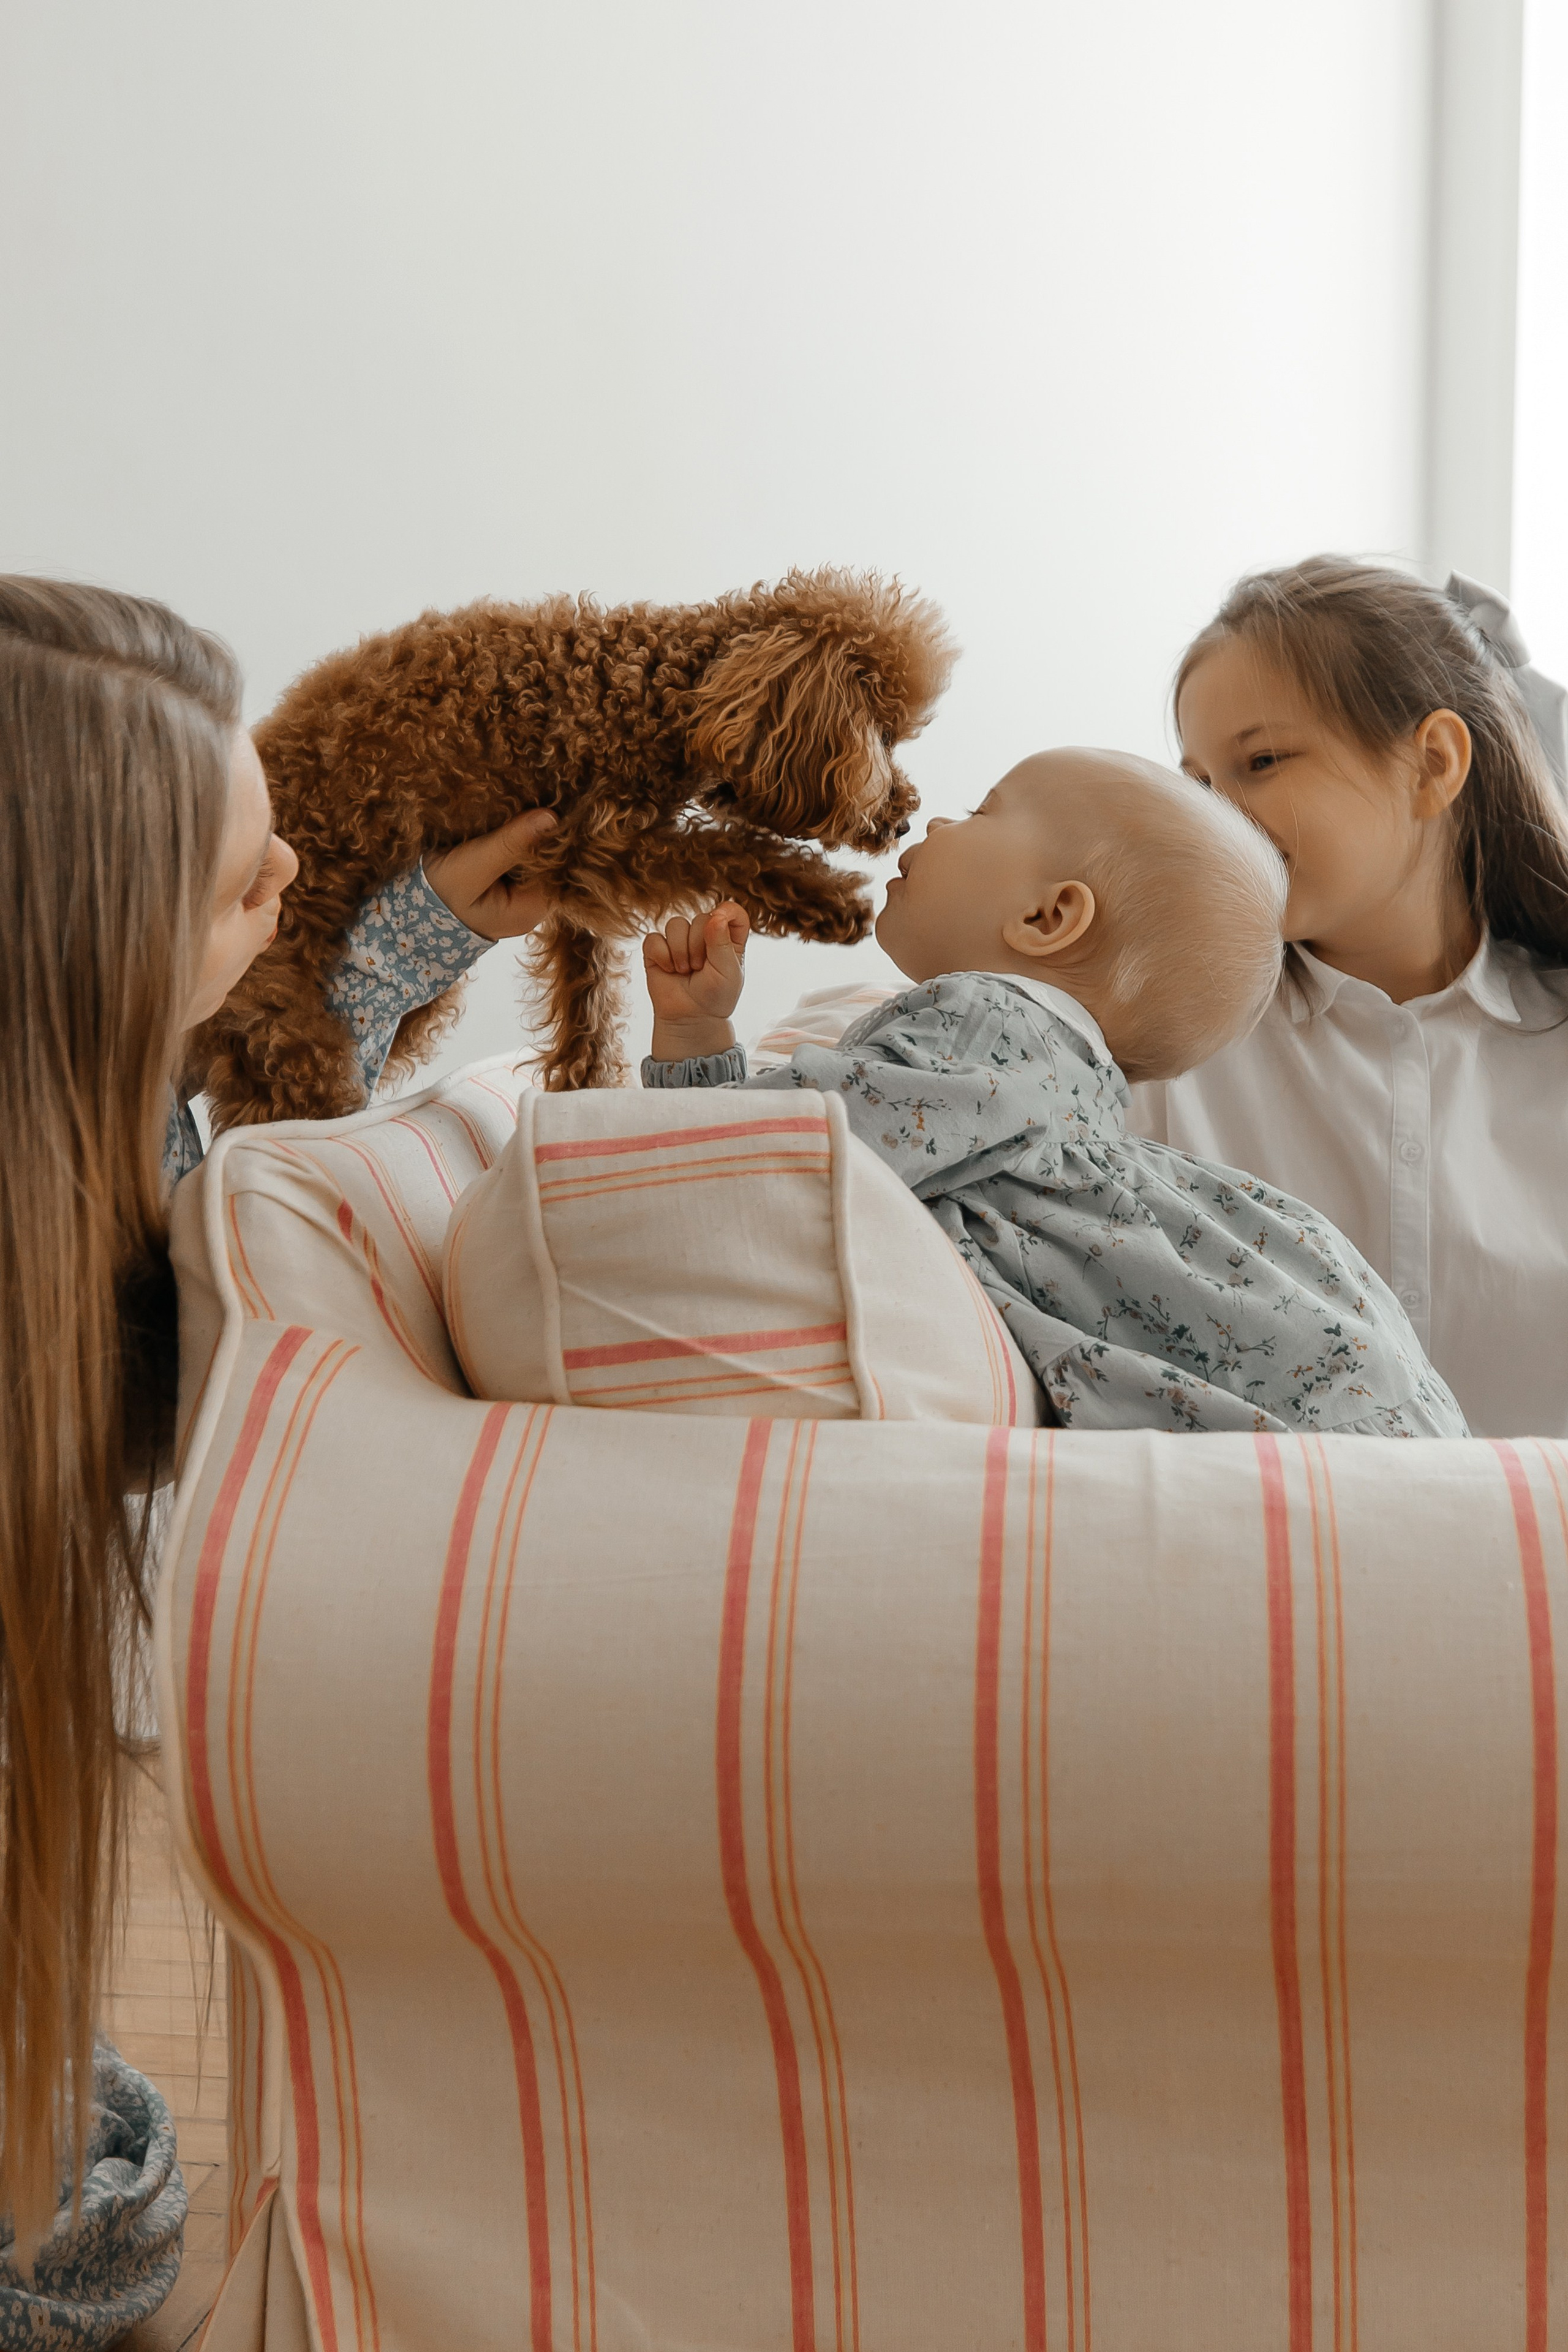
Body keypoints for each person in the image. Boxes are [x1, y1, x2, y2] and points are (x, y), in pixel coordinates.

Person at [0, 578, 554, 2343]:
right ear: (84, 939)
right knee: (98, 2219)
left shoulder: (84, 1117)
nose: (292, 889)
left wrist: (399, 952)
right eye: (247, 882)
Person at [625, 748, 1465, 1438]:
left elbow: (745, 1165)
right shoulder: (1035, 1074)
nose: (939, 822)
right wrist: (699, 1039)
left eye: (983, 811)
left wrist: (696, 1067)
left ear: (1049, 918)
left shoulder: (985, 1023)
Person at [1142, 557, 1568, 1438]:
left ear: (1434, 763)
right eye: (1199, 785)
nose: (1216, 816)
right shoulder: (1157, 1044)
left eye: (1261, 760)